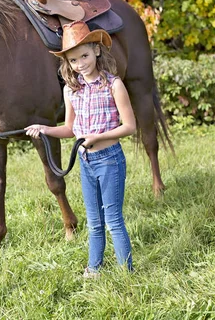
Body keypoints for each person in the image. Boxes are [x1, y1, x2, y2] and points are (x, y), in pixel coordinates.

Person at [25, 20, 136, 277]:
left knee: (113, 221)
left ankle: (127, 274)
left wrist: (98, 137)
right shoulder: (71, 90)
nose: (80, 64)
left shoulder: (113, 85)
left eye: (84, 56)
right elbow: (70, 130)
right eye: (74, 60)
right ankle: (94, 268)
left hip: (109, 159)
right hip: (86, 161)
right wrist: (44, 129)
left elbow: (129, 126)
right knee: (94, 222)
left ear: (96, 51)